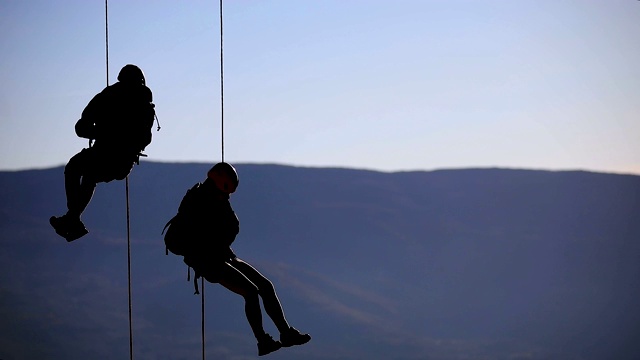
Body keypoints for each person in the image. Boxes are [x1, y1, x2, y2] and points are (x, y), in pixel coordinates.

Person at [168, 162, 311, 356]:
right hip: (207, 260)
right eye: (226, 192)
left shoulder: (215, 199)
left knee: (265, 286)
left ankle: (286, 333)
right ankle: (263, 341)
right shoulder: (200, 201)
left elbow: (226, 228)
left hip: (221, 254)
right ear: (220, 183)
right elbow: (214, 232)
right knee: (251, 292)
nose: (227, 197)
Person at [50, 64, 156, 242]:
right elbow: (82, 126)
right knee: (77, 169)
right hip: (115, 157)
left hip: (116, 156)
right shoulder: (137, 102)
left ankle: (72, 218)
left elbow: (82, 126)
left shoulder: (114, 98)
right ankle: (72, 218)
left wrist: (103, 134)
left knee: (82, 171)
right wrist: (102, 134)